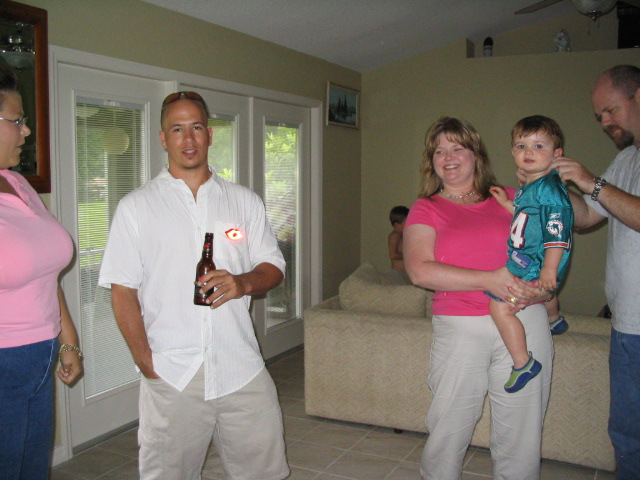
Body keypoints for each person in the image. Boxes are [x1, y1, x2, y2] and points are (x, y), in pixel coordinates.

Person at [98, 91, 289, 480]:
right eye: (177, 129)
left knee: (264, 473)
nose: (188, 139)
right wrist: (145, 361)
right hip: (173, 372)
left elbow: (273, 267)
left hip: (241, 366)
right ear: (163, 138)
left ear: (210, 135)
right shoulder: (136, 208)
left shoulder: (243, 201)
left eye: (197, 127)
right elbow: (123, 291)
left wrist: (243, 282)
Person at [403, 116, 552, 480]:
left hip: (524, 321)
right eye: (439, 151)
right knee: (448, 425)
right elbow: (420, 270)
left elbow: (553, 240)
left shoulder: (510, 197)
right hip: (461, 328)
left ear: (476, 154)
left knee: (521, 431)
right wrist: (490, 280)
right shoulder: (426, 208)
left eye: (458, 148)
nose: (448, 157)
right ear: (431, 161)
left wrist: (544, 287)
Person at [551, 64, 640, 480]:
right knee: (627, 435)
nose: (604, 122)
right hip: (627, 325)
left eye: (610, 110)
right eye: (599, 115)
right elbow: (587, 217)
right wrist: (553, 187)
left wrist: (591, 182)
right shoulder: (626, 159)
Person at [0, 66, 83, 479]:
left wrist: (68, 341)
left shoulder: (18, 185)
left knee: (33, 471)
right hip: (4, 362)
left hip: (40, 356)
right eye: (17, 120)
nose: (27, 131)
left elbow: (47, 276)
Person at [488, 115, 573, 393]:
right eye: (521, 146)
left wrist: (549, 268)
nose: (529, 152)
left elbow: (557, 233)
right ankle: (554, 318)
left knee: (499, 307)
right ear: (513, 151)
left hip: (535, 263)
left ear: (556, 154)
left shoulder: (550, 189)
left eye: (538, 146)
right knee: (541, 290)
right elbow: (525, 217)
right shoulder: (531, 185)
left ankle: (523, 362)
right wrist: (506, 203)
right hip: (527, 257)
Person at [388, 205, 409, 272]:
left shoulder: (404, 235)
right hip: (397, 273)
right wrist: (408, 255)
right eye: (406, 223)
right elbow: (393, 255)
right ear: (396, 224)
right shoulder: (394, 236)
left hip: (405, 273)